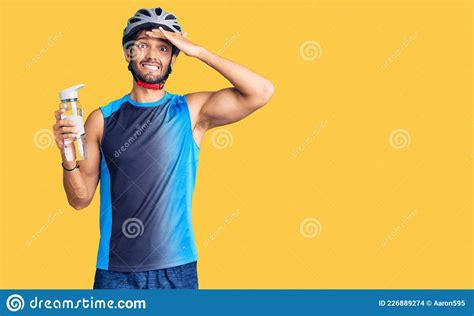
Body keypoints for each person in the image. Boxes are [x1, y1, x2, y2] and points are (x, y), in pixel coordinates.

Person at [52, 7, 274, 289]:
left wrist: (199, 52)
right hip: (115, 274)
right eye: (142, 45)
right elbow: (79, 199)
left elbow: (261, 91)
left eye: (164, 48)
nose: (153, 56)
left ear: (173, 57)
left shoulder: (191, 111)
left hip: (176, 272)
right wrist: (66, 154)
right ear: (127, 53)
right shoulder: (101, 120)